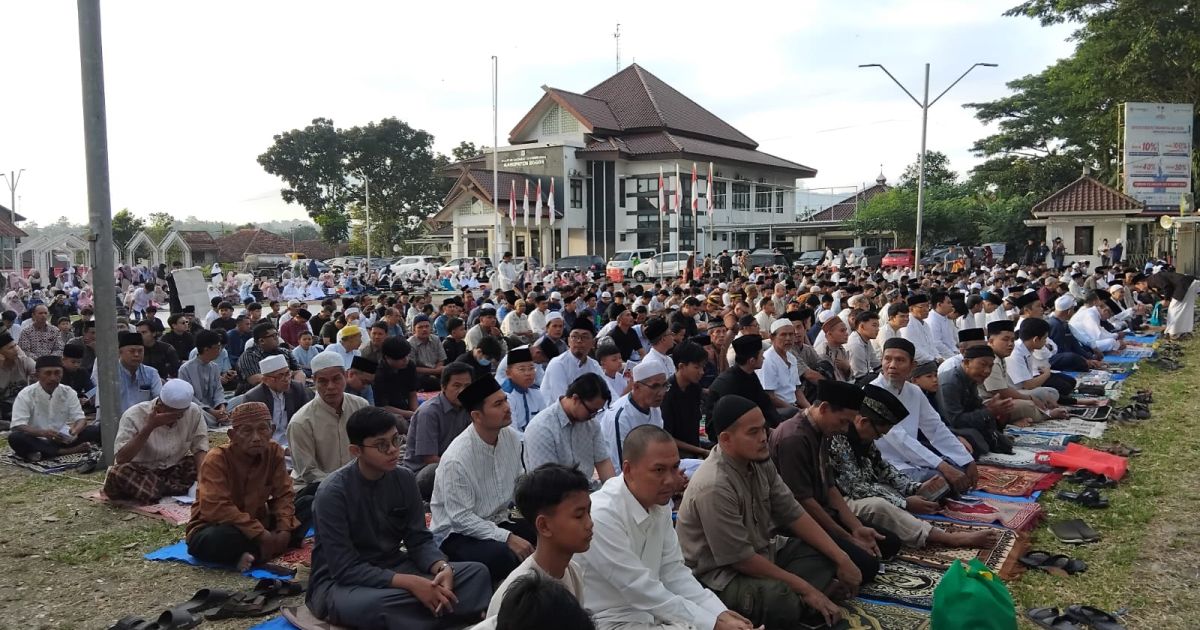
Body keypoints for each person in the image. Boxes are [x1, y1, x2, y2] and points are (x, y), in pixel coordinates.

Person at [677, 395, 859, 629]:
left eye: (763, 429)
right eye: (753, 432)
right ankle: (802, 601)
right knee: (780, 601)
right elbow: (741, 560)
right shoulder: (714, 485)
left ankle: (803, 601)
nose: (764, 437)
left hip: (763, 552)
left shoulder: (759, 460)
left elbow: (793, 512)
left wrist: (841, 557)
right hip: (721, 575)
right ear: (726, 439)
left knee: (827, 553)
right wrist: (807, 589)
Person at [307, 406, 491, 630]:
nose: (394, 450)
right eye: (382, 445)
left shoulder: (404, 479)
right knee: (377, 605)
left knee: (476, 573)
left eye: (396, 440)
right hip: (344, 583)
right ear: (356, 451)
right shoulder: (332, 493)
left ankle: (425, 611)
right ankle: (444, 610)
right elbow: (345, 568)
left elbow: (419, 540)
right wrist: (411, 583)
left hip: (396, 567)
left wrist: (442, 568)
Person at [579, 426, 751, 630]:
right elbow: (639, 588)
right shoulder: (601, 515)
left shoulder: (659, 505)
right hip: (609, 621)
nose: (670, 480)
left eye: (674, 468)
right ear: (628, 470)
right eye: (659, 470)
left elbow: (674, 572)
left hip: (654, 614)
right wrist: (713, 624)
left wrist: (720, 613)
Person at [831, 384, 996, 550]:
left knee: (926, 487)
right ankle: (949, 538)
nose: (880, 437)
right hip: (838, 502)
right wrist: (904, 502)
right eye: (879, 433)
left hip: (864, 489)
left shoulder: (865, 437)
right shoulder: (838, 438)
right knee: (879, 505)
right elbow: (855, 488)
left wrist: (915, 488)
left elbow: (884, 469)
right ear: (864, 422)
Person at [770, 380, 891, 582]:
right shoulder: (794, 439)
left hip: (822, 511)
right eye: (843, 421)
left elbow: (830, 486)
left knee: (889, 543)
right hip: (798, 522)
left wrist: (855, 527)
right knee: (868, 566)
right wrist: (847, 538)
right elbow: (803, 502)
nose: (845, 429)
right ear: (824, 408)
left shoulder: (822, 430)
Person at [430, 376, 534, 584]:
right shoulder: (457, 458)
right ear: (477, 416)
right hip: (456, 533)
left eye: (505, 400)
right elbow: (461, 518)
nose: (507, 407)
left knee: (542, 530)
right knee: (502, 556)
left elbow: (519, 484)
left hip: (499, 517)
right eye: (498, 404)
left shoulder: (511, 438)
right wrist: (508, 537)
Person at [187, 402, 313, 571]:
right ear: (232, 435)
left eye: (262, 429)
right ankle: (265, 549)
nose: (256, 437)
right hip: (223, 526)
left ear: (272, 430)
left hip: (261, 521)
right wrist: (260, 533)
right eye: (247, 431)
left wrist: (284, 529)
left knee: (310, 501)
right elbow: (216, 508)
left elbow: (283, 494)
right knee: (213, 538)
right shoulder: (217, 459)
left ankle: (263, 548)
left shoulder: (274, 451)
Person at [473, 463, 593, 627]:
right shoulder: (520, 593)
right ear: (544, 526)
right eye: (579, 516)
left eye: (589, 512)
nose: (589, 523)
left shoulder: (573, 571)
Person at [869, 338, 977, 490]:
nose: (892, 365)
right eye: (888, 359)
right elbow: (899, 438)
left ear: (912, 366)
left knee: (961, 468)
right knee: (941, 480)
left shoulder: (914, 391)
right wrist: (943, 467)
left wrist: (967, 460)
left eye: (900, 360)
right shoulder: (872, 392)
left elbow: (936, 428)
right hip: (888, 464)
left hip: (915, 462)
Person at [103, 380, 209, 504]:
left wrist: (202, 478)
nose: (177, 418)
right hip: (141, 472)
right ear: (160, 405)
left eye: (180, 414)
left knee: (210, 463)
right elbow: (121, 459)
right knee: (118, 473)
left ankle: (157, 490)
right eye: (172, 413)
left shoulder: (193, 411)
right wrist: (149, 427)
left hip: (172, 470)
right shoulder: (133, 415)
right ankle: (169, 489)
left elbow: (200, 446)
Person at [287, 350, 371, 495]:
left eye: (336, 379)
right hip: (316, 489)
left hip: (358, 484)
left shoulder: (361, 406)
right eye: (323, 381)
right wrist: (346, 487)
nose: (330, 387)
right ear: (314, 381)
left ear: (346, 376)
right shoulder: (301, 422)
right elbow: (308, 472)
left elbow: (369, 448)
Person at [404, 362, 475, 500]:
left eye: (467, 386)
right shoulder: (429, 412)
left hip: (456, 465)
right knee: (436, 471)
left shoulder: (468, 407)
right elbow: (429, 458)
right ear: (443, 387)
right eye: (456, 386)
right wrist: (465, 468)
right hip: (423, 472)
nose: (462, 391)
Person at [7, 356, 98, 461]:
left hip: (61, 438)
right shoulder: (26, 394)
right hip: (36, 438)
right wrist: (43, 433)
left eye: (57, 373)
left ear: (62, 373)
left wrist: (74, 432)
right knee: (15, 437)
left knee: (94, 430)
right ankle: (67, 451)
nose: (53, 378)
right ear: (37, 375)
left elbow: (81, 419)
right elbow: (19, 425)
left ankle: (42, 453)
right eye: (48, 373)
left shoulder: (68, 392)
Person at [940, 345, 1018, 455]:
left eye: (990, 366)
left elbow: (976, 407)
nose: (987, 371)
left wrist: (995, 412)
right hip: (946, 427)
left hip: (961, 423)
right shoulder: (950, 383)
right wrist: (989, 411)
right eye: (983, 365)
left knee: (1001, 442)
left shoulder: (971, 378)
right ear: (967, 363)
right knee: (977, 442)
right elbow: (955, 421)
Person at [601, 360, 670, 467]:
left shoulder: (654, 407)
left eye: (664, 386)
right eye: (655, 387)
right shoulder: (621, 417)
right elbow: (620, 467)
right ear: (636, 387)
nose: (661, 392)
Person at [242, 354, 312, 453]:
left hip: (295, 442)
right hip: (266, 446)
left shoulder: (297, 389)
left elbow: (307, 420)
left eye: (287, 373)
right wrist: (283, 449)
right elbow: (255, 434)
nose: (286, 379)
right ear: (265, 380)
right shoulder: (253, 397)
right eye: (280, 376)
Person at [660, 341, 710, 459]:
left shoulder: (694, 387)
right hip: (675, 453)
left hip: (695, 445)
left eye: (703, 367)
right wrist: (701, 451)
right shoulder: (667, 394)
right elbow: (667, 437)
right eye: (697, 367)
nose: (701, 372)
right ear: (681, 366)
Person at [541, 319, 604, 403]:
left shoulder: (594, 365)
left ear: (593, 343)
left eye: (584, 337)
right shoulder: (558, 364)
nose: (579, 341)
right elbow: (564, 402)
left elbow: (608, 391)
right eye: (574, 337)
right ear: (568, 341)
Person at [177, 330, 229, 428]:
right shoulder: (185, 369)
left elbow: (219, 390)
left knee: (241, 403)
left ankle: (221, 417)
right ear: (206, 349)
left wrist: (222, 407)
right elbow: (190, 398)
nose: (220, 350)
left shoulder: (214, 367)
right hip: (199, 409)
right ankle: (218, 419)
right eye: (217, 348)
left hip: (215, 407)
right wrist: (212, 412)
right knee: (195, 414)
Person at [111, 331, 164, 418]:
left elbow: (159, 401)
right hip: (116, 422)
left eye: (140, 351)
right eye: (132, 351)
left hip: (144, 421)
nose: (136, 354)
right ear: (120, 352)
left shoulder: (151, 373)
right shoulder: (111, 374)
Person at [501, 347, 546, 436]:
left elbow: (545, 420)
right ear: (508, 373)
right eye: (522, 369)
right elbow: (511, 432)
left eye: (531, 368)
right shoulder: (505, 396)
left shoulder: (536, 392)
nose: (528, 373)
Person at [375, 337, 419, 422]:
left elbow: (412, 393)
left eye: (407, 356)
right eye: (401, 358)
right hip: (387, 413)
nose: (406, 360)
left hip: (406, 408)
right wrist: (410, 414)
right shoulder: (378, 374)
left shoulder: (409, 366)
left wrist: (416, 412)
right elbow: (383, 407)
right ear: (387, 357)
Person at [409, 315, 447, 391]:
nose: (424, 329)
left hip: (436, 372)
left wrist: (436, 371)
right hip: (420, 375)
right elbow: (412, 368)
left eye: (427, 326)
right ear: (414, 330)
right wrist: (434, 372)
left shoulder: (435, 339)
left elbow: (441, 359)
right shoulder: (410, 343)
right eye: (420, 327)